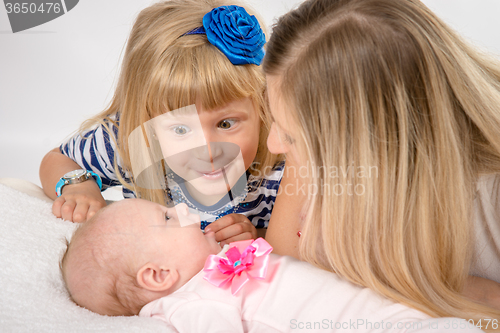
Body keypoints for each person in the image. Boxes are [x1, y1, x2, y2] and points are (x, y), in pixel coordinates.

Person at [263, 0, 500, 327]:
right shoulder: (317, 151)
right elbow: (281, 274)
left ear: (373, 146)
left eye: (289, 136)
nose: (272, 144)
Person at [39, 0, 283, 245]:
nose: (207, 151)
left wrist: (259, 236)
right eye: (180, 129)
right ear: (149, 123)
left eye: (226, 124)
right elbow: (57, 159)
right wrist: (79, 186)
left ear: (263, 108)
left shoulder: (281, 169)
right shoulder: (128, 144)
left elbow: (302, 242)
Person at [60, 198, 481, 332]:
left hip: (382, 308)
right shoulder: (192, 304)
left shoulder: (216, 265)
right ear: (158, 275)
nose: (182, 207)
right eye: (168, 217)